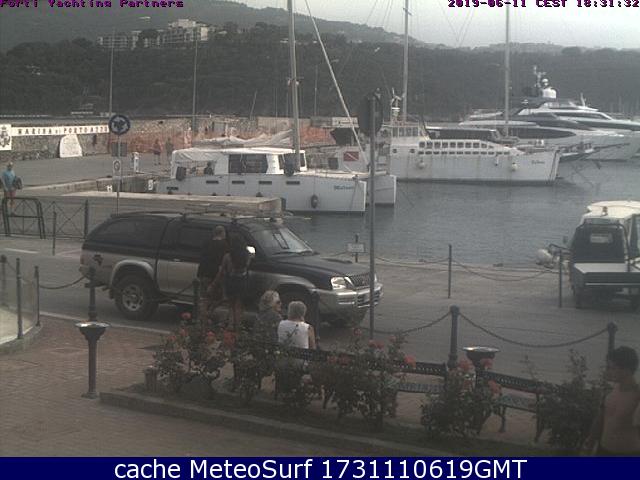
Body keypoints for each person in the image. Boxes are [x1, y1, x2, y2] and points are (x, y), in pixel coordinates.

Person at [584, 346, 640, 456]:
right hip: (603, 451)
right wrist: (589, 444)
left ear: (626, 369)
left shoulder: (637, 395)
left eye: (612, 368)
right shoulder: (610, 392)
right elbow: (599, 420)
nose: (609, 372)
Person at [219, 233, 251, 330]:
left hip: (231, 281)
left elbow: (223, 270)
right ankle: (238, 325)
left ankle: (230, 324)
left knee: (231, 305)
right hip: (242, 280)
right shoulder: (247, 255)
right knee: (239, 305)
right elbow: (247, 266)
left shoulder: (228, 256)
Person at [197, 226, 227, 324]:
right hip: (215, 275)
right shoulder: (224, 245)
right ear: (221, 233)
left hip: (203, 273)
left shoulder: (206, 243)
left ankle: (202, 318)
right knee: (219, 298)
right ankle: (208, 314)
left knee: (203, 298)